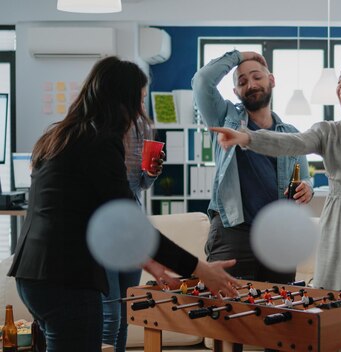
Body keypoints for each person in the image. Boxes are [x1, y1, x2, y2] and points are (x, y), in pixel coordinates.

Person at [7, 56, 239, 352]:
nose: (140, 110)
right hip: (67, 281)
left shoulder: (62, 135)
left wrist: (151, 265)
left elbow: (99, 218)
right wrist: (201, 270)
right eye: (139, 101)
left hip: (32, 278)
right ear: (121, 101)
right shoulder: (100, 144)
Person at [210, 57, 341, 351]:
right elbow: (289, 143)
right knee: (333, 306)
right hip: (339, 228)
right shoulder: (327, 132)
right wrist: (247, 138)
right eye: (339, 81)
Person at [192, 50, 313, 352]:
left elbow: (305, 177)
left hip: (279, 237)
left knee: (280, 322)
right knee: (229, 322)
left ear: (271, 80)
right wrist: (238, 56)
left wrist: (307, 188)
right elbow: (202, 80)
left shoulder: (291, 134)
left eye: (256, 76)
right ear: (235, 91)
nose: (250, 84)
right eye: (242, 81)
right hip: (233, 231)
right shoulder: (225, 117)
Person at [102, 96, 165, 352]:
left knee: (125, 309)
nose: (140, 101)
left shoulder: (142, 127)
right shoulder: (99, 130)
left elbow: (141, 183)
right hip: (104, 228)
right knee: (111, 314)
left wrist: (151, 173)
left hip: (132, 224)